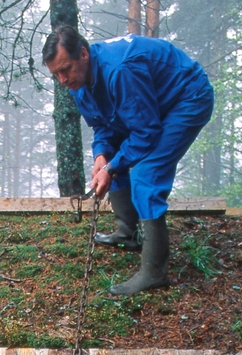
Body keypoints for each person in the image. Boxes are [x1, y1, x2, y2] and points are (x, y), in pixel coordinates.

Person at [42, 25, 214, 296]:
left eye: (66, 69)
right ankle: (127, 233)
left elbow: (146, 132)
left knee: (147, 173)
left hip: (187, 97)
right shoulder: (78, 84)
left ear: (83, 55)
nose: (62, 79)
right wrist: (102, 157)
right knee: (113, 157)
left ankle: (154, 272)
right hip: (153, 105)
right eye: (56, 74)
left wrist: (111, 168)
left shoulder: (120, 71)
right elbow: (103, 126)